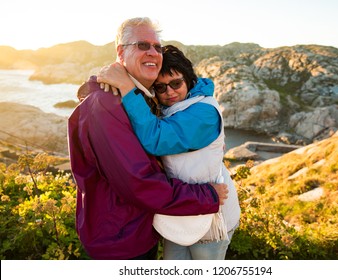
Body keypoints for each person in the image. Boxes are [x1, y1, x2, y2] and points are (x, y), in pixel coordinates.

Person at [68, 17, 228, 260]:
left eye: (157, 47)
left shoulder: (137, 98)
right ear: (121, 52)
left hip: (139, 229)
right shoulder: (106, 105)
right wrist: (207, 196)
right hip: (121, 241)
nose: (153, 52)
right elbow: (140, 183)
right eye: (143, 45)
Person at [97, 45, 240, 260]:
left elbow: (157, 139)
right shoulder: (171, 106)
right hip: (181, 209)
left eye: (176, 83)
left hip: (212, 215)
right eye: (161, 88)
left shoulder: (204, 111)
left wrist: (127, 88)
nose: (170, 92)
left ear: (189, 79)